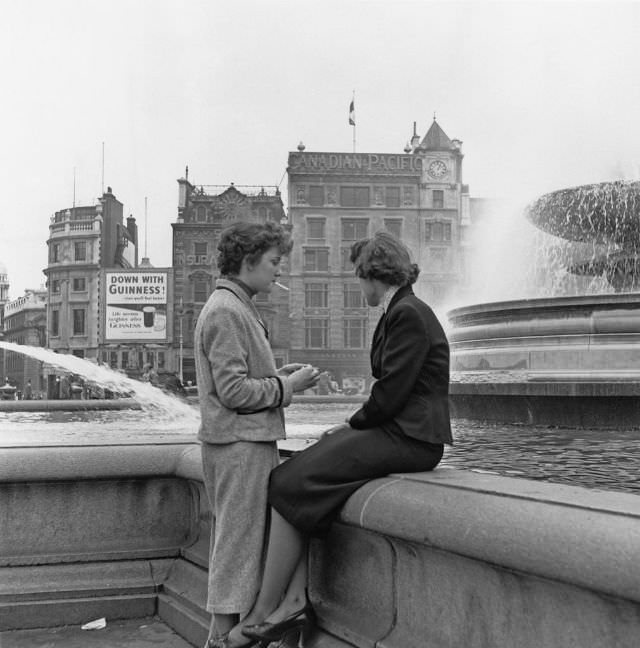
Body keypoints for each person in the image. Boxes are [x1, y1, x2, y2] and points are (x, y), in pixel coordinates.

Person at [224, 231, 453, 648]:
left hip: (412, 439)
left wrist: (351, 425)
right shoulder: (401, 310)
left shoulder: (407, 314)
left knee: (290, 481)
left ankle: (265, 611)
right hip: (397, 432)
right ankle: (291, 601)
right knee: (290, 475)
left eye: (357, 276)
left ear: (372, 274)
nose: (357, 284)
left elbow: (390, 396)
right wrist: (352, 427)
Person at [195, 221, 320, 648]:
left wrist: (276, 376)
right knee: (235, 544)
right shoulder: (227, 310)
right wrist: (289, 387)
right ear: (248, 262)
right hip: (239, 446)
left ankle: (226, 636)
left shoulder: (234, 304)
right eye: (272, 262)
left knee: (239, 541)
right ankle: (220, 640)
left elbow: (239, 379)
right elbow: (232, 391)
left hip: (241, 442)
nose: (278, 271)